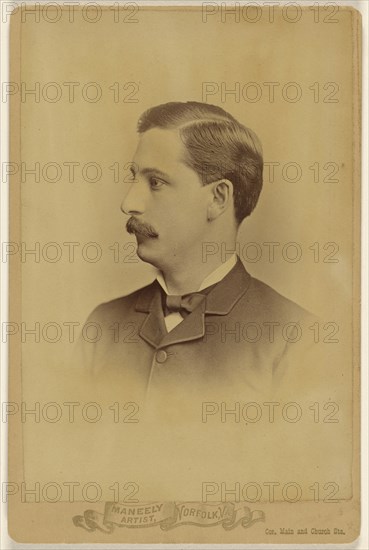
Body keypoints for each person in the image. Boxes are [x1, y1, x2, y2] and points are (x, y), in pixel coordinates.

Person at [77, 101, 316, 405]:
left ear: (218, 198)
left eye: (156, 182)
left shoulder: (297, 337)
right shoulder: (102, 326)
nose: (129, 203)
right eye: (134, 177)